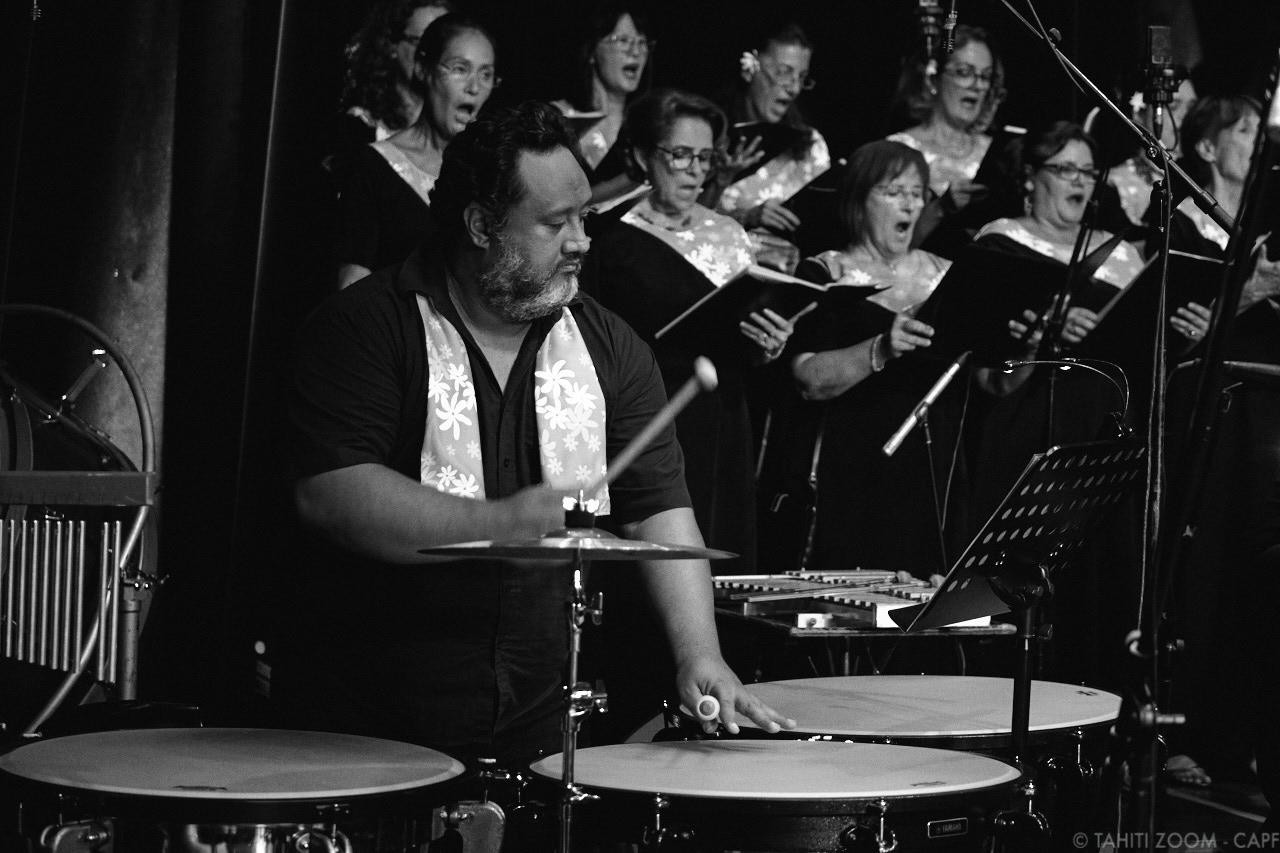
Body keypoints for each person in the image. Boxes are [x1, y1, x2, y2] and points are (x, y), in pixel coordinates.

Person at [278, 100, 793, 771]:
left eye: (585, 217)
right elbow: (331, 492)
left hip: (547, 736)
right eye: (556, 223)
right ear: (481, 225)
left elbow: (660, 509)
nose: (582, 239)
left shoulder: (609, 344)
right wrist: (496, 522)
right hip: (375, 734)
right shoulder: (368, 327)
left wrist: (701, 652)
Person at [584, 88, 796, 574]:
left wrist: (769, 345)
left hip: (721, 413)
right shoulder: (609, 234)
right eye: (680, 155)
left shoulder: (729, 234)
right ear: (641, 155)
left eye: (705, 157)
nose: (696, 169)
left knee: (719, 547)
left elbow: (748, 345)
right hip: (649, 414)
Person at [767, 140, 961, 579]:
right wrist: (881, 348)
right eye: (894, 192)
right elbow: (807, 378)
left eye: (917, 193)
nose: (909, 204)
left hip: (929, 473)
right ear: (858, 200)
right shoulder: (826, 273)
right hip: (850, 473)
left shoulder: (947, 276)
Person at [1161, 93, 1280, 789]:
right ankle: (1189, 725)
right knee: (1208, 577)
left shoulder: (1260, 224)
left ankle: (1250, 734)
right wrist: (1250, 290)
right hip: (1206, 424)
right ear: (1206, 148)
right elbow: (1178, 338)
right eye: (1242, 130)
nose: (1256, 141)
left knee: (1258, 581)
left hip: (1263, 422)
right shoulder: (1183, 228)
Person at [335, 14, 498, 289]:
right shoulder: (373, 166)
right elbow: (352, 282)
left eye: (486, 75)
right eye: (459, 69)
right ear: (423, 69)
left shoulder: (491, 171)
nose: (474, 87)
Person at [705, 22, 831, 273]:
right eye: (784, 72)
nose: (793, 88)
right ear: (750, 67)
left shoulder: (809, 145)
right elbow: (681, 218)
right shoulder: (711, 136)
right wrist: (747, 217)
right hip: (719, 271)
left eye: (802, 78)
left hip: (790, 278)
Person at [887, 24, 1007, 251]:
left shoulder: (997, 151)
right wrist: (942, 207)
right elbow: (885, 242)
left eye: (985, 77)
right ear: (934, 79)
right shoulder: (899, 149)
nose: (977, 85)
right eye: (964, 73)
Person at [552, 4, 654, 207]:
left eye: (642, 42)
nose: (636, 51)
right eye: (623, 40)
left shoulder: (647, 124)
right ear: (592, 50)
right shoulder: (557, 119)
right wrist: (632, 177)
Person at [337, 0, 457, 143]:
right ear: (390, 45)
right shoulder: (359, 127)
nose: (437, 55)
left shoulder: (461, 124)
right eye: (424, 42)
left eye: (446, 43)